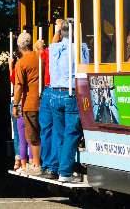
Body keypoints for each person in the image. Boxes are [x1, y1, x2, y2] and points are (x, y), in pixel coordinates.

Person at [47, 19, 82, 182]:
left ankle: (58, 168)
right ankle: (65, 172)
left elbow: (54, 41)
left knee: (59, 132)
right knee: (71, 132)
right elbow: (85, 68)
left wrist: (58, 29)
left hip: (54, 93)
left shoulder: (55, 48)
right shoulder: (79, 48)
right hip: (70, 93)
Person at [12, 31, 42, 175]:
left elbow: (18, 86)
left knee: (32, 136)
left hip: (29, 103)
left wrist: (16, 104)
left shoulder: (21, 63)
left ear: (19, 47)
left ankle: (36, 164)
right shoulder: (39, 56)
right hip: (44, 100)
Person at [36, 24, 58, 179]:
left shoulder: (52, 52)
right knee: (57, 130)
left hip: (48, 90)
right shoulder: (72, 51)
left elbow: (41, 52)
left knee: (47, 129)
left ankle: (47, 165)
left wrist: (56, 31)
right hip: (59, 90)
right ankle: (52, 166)